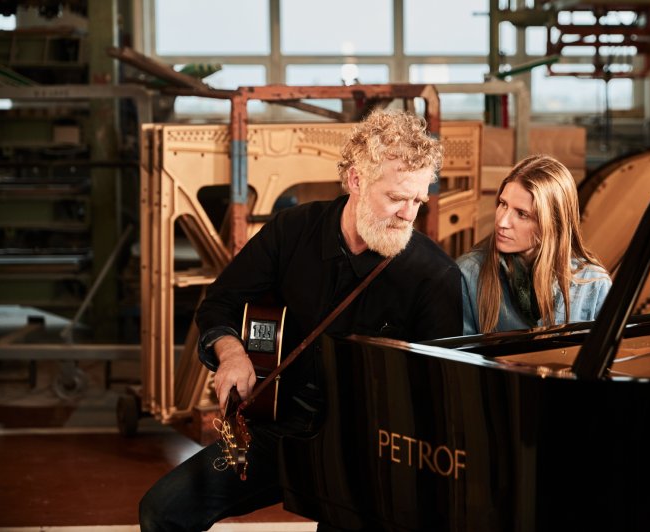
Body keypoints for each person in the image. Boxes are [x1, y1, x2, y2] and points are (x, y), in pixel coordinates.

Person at [139, 109, 463, 531]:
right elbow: (220, 302)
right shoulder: (293, 230)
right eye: (396, 197)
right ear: (356, 181)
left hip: (365, 448)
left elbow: (438, 397)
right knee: (162, 510)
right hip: (277, 427)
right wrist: (231, 353)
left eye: (418, 200)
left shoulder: (435, 275)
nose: (408, 214)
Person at [457, 154, 611, 335]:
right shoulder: (469, 273)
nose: (502, 222)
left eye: (522, 214)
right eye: (503, 204)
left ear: (553, 224)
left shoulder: (594, 284)